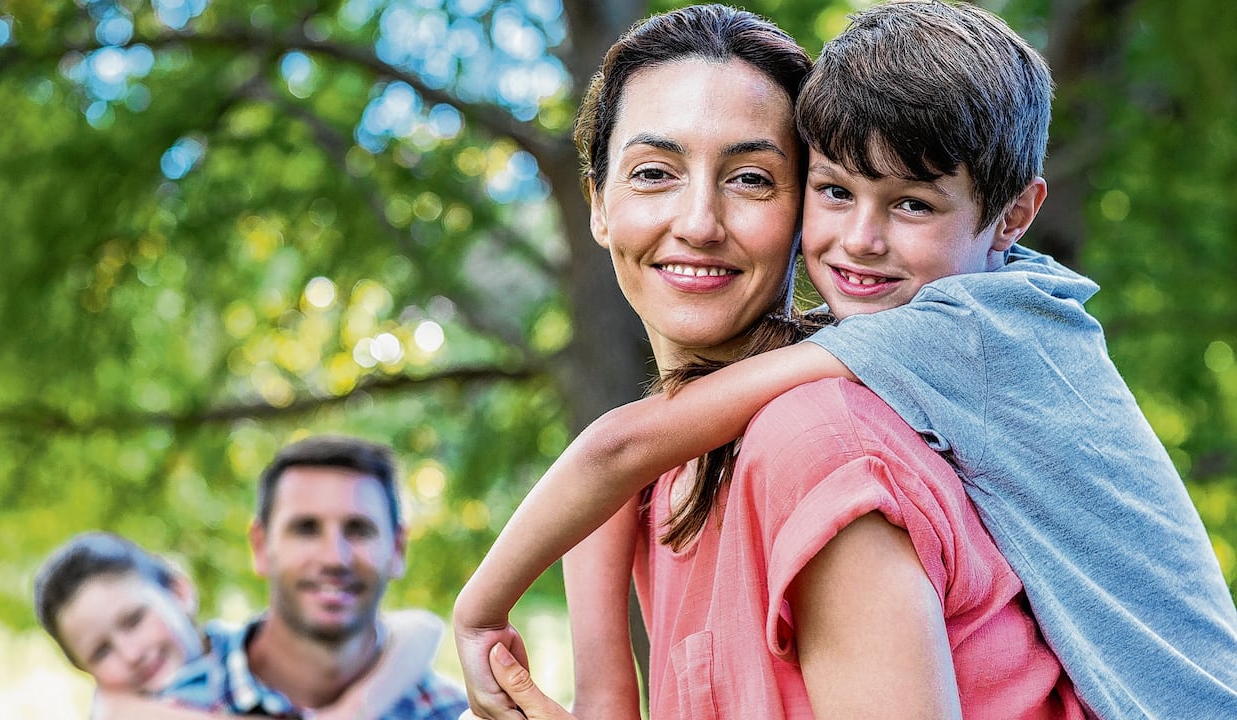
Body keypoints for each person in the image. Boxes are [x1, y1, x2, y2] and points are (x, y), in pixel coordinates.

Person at [462, 1, 1237, 718]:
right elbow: (622, 463)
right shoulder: (670, 470)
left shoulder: (854, 405)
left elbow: (617, 450)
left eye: (752, 179)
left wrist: (477, 615)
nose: (698, 221)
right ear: (596, 202)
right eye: (655, 173)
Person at [155, 435, 468, 719]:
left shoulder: (452, 713)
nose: (334, 558)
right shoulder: (168, 705)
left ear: (398, 548)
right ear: (261, 547)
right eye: (306, 529)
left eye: (359, 530)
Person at [33, 530, 446, 720]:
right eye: (101, 651)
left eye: (134, 620)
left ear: (179, 591)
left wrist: (352, 710)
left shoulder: (251, 647)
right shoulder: (136, 707)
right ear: (85, 672)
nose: (131, 653)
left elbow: (420, 628)